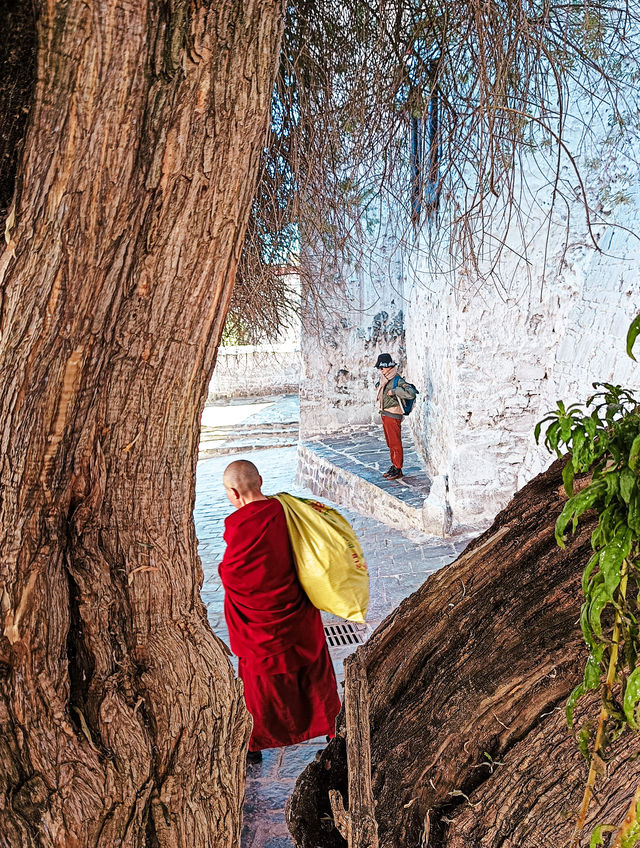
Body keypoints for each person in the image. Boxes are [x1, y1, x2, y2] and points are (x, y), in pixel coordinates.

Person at [218, 459, 341, 763]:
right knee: (313, 670)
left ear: (233, 492)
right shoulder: (289, 511)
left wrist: (224, 570)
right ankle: (331, 728)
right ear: (260, 480)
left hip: (258, 623)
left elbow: (233, 574)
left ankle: (257, 742)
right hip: (296, 612)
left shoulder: (239, 527)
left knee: (260, 681)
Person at [374, 352, 417, 480]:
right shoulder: (385, 379)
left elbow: (411, 393)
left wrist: (395, 391)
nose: (380, 370)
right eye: (379, 368)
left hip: (393, 414)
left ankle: (398, 468)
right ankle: (394, 465)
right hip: (385, 413)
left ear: (389, 366)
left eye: (382, 367)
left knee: (395, 442)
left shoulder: (397, 379)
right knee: (390, 443)